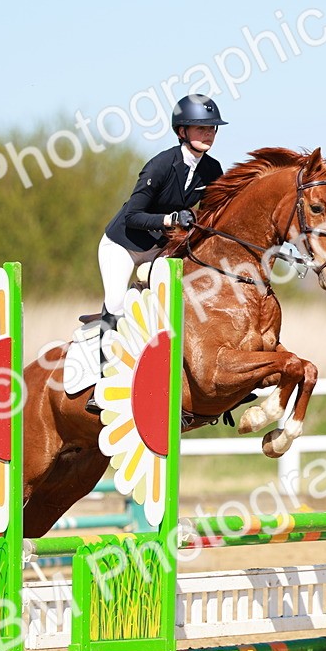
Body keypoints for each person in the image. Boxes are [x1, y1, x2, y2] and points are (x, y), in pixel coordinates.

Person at [87, 95, 227, 413]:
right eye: (200, 128)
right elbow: (134, 215)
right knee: (117, 303)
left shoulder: (212, 170)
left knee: (184, 299)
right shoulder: (161, 165)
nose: (208, 134)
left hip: (160, 249)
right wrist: (171, 219)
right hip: (123, 243)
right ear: (181, 131)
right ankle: (101, 383)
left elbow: (212, 216)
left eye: (212, 129)